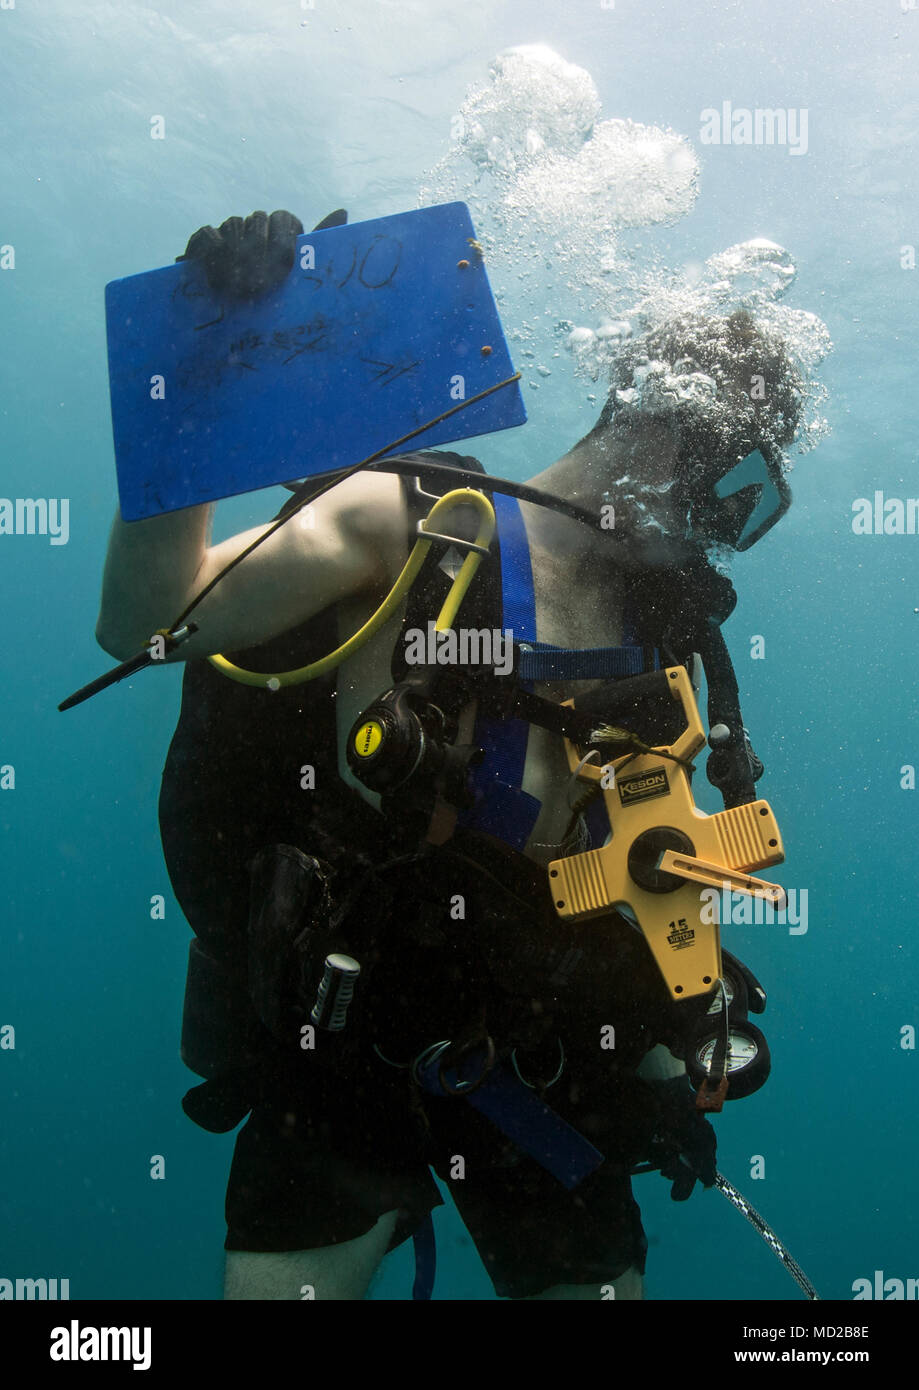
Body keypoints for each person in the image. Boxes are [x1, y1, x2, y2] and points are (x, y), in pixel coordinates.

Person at [95, 209, 805, 1301]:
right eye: (739, 493)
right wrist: (204, 371)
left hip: (538, 1053)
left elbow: (635, 878)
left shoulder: (661, 643)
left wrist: (675, 1051)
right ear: (671, 440)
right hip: (342, 1043)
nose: (722, 535)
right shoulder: (415, 522)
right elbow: (144, 623)